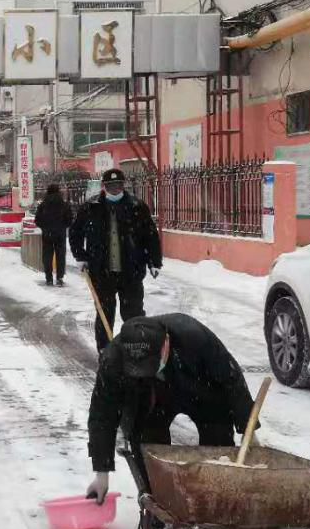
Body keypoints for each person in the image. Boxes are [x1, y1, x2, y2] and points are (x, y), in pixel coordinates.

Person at [86, 315, 257, 506]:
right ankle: (158, 501)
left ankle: (214, 500)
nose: (147, 370)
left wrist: (248, 427)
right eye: (139, 368)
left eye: (150, 364)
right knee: (148, 448)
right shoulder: (114, 358)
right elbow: (102, 415)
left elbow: (231, 380)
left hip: (203, 392)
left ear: (165, 343)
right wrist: (102, 473)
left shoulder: (195, 338)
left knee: (217, 450)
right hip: (151, 398)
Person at [69, 168, 163, 351]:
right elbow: (75, 232)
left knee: (134, 315)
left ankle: (136, 348)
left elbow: (150, 236)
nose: (115, 189)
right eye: (111, 186)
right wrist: (80, 256)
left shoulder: (137, 207)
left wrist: (154, 261)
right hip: (101, 272)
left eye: (118, 185)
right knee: (105, 313)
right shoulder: (91, 207)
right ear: (104, 187)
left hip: (131, 272)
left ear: (123, 185)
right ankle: (105, 351)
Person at [33, 183, 74, 286]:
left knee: (47, 256)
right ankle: (59, 278)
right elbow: (70, 219)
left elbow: (37, 220)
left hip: (47, 234)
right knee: (60, 256)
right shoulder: (64, 204)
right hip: (60, 234)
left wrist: (45, 227)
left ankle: (49, 278)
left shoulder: (43, 205)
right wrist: (63, 226)